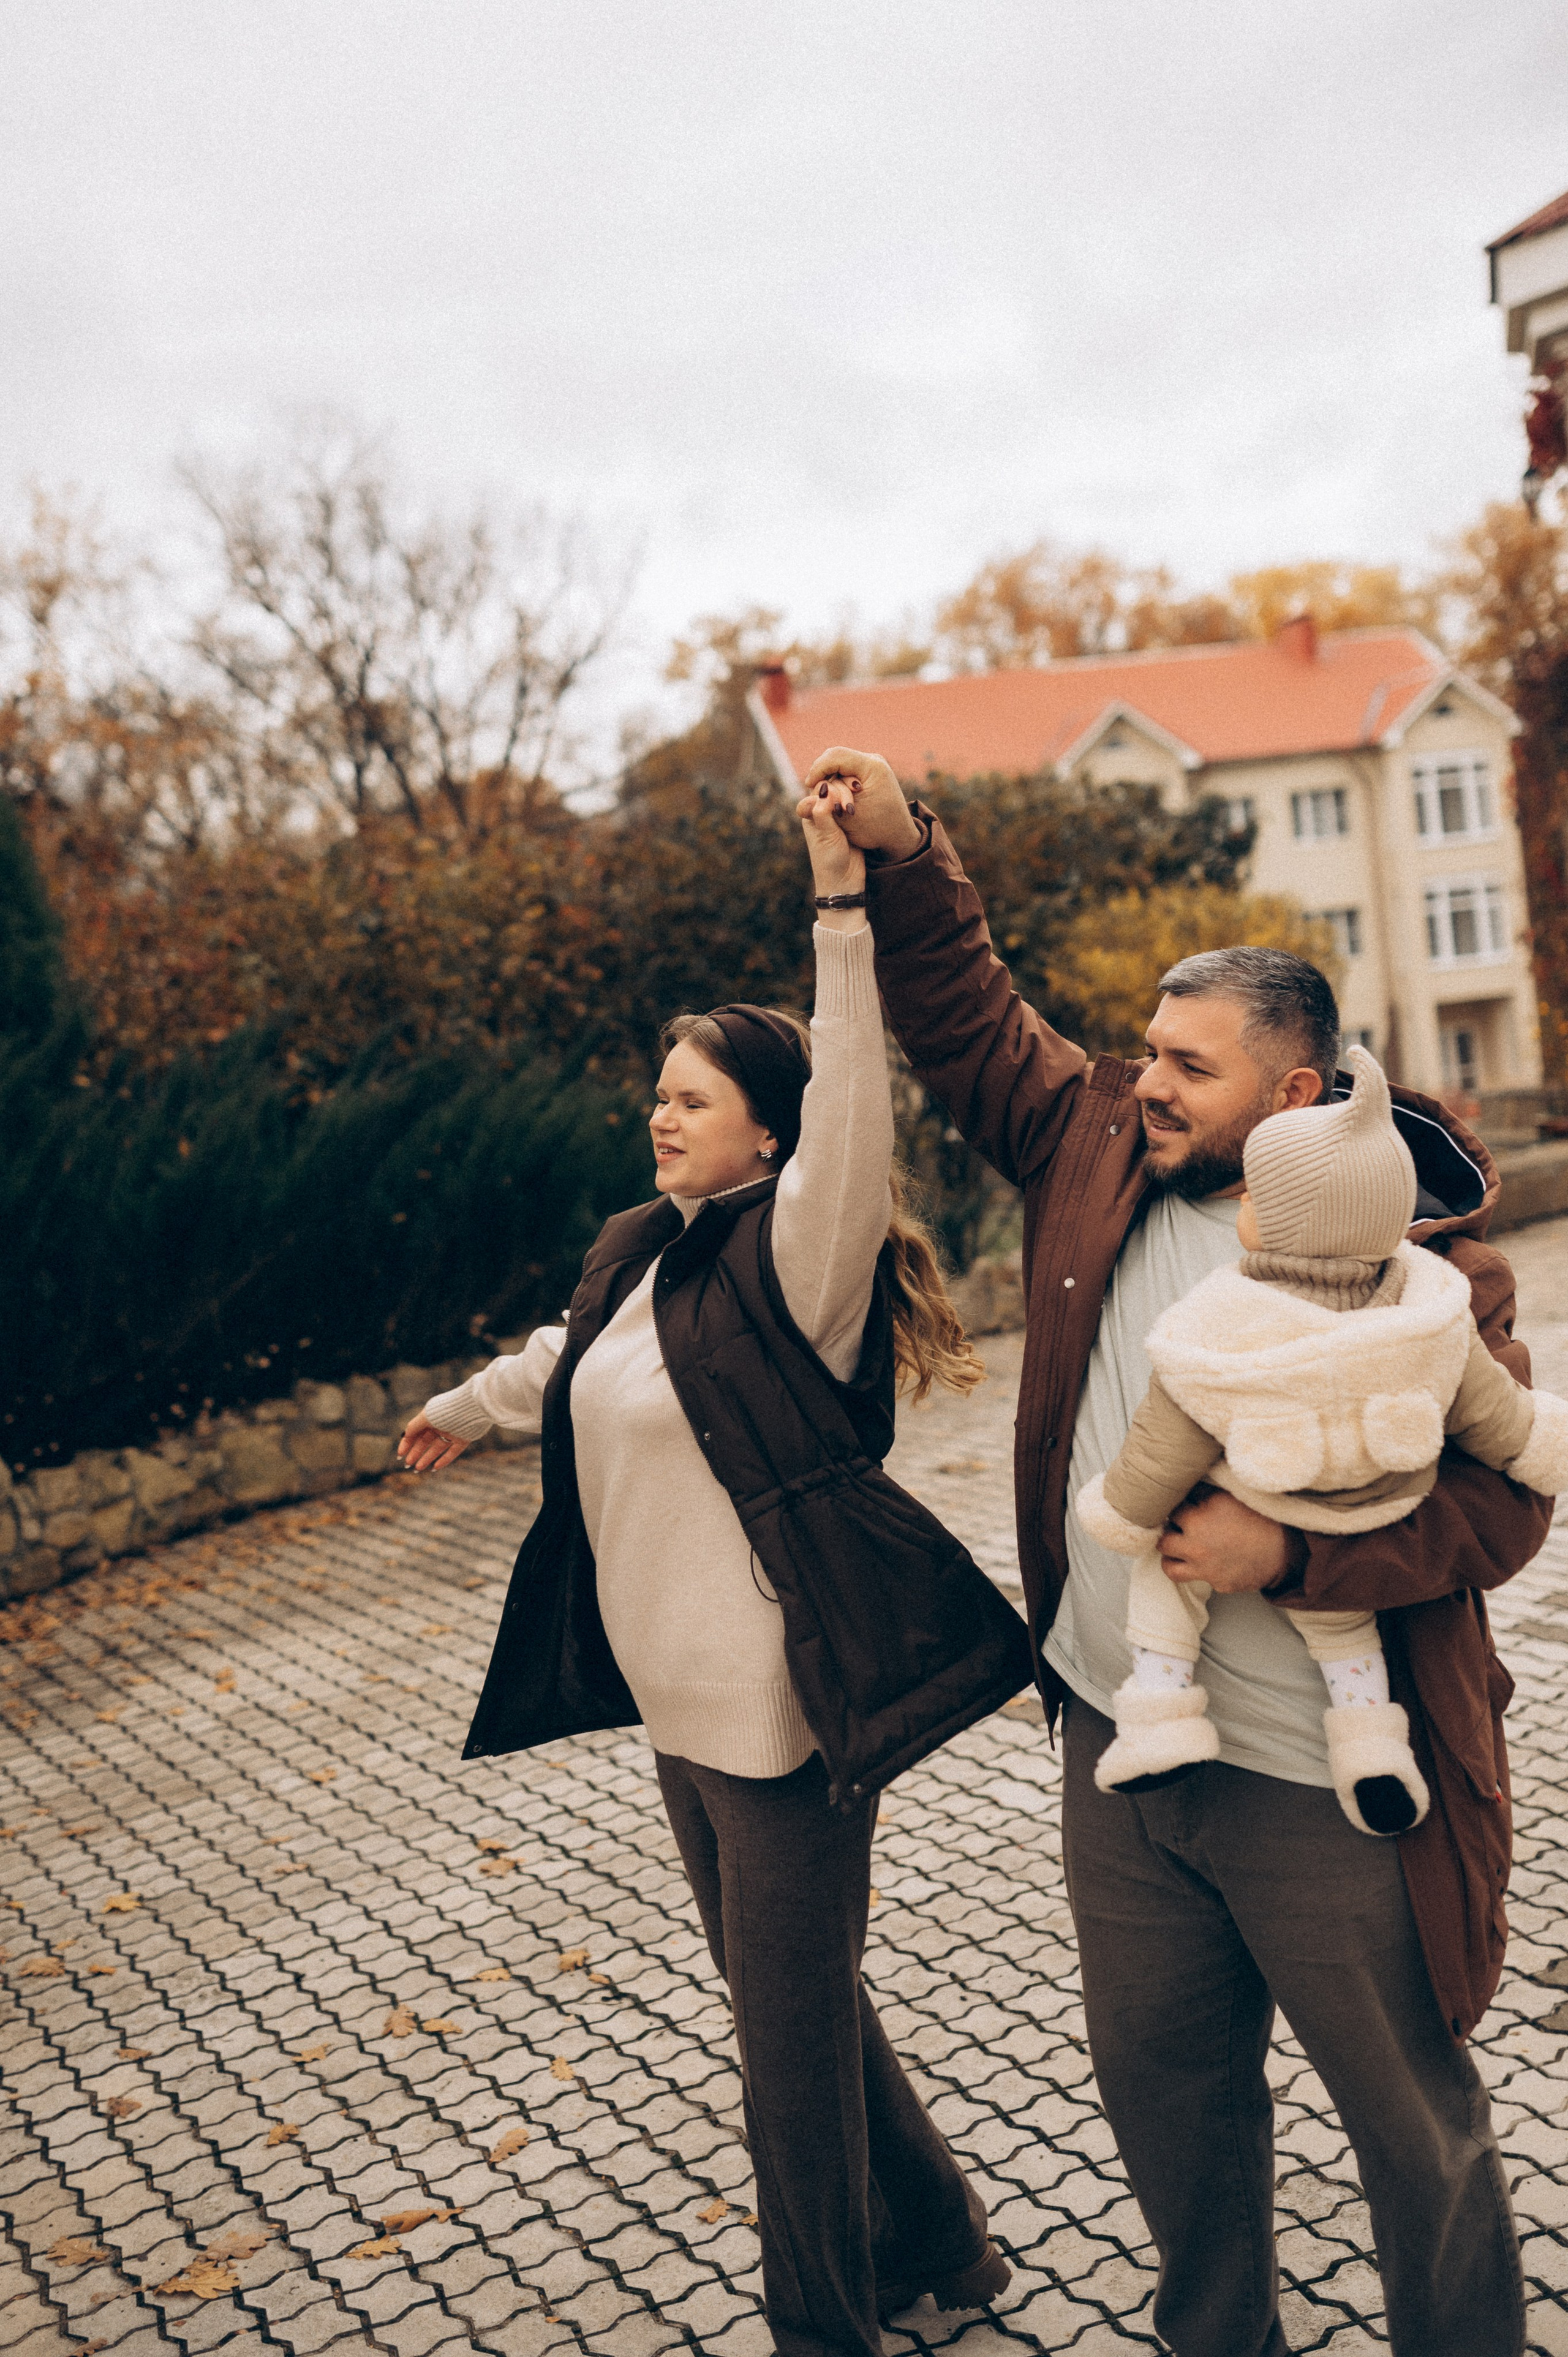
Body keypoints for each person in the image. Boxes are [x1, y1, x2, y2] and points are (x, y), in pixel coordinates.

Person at [801, 743, 1553, 2357]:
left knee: (1414, 2135)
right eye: (1146, 1049)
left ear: (1295, 1097)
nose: (1146, 1084)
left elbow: (1503, 1510)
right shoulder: (1096, 1153)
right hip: (1121, 1752)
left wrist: (1285, 1558)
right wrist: (905, 846)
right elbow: (964, 1013)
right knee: (1167, 2112)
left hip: (1332, 1788)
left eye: (1187, 1067)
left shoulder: (1438, 1276)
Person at [398, 777, 1031, 2357]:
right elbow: (572, 1358)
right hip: (672, 1702)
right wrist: (464, 1408)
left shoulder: (796, 1259)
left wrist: (839, 904)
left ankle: (826, 2321)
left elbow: (860, 1120)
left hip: (786, 1709)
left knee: (785, 2050)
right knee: (793, 2001)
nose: (661, 1114)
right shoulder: (642, 1247)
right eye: (657, 1093)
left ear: (769, 1127)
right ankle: (945, 2237)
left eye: (693, 1097)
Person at [1076, 1045, 1568, 1828]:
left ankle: (1163, 1714)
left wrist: (1121, 1512)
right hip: (1374, 1499)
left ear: (1273, 1218)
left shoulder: (1222, 1315)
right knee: (1344, 1636)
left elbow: (1164, 1441)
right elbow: (1493, 1412)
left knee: (1163, 1579)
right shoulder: (1428, 1300)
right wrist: (1543, 1444)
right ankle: (1372, 1748)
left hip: (1274, 1495)